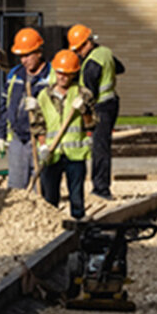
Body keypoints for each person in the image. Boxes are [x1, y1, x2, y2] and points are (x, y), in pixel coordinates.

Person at [30, 49, 96, 220]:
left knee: (76, 197)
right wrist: (43, 145)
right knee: (49, 198)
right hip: (51, 153)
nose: (62, 77)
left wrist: (84, 111)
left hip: (75, 155)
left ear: (73, 74)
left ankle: (78, 228)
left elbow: (92, 124)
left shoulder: (83, 94)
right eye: (59, 73)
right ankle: (51, 228)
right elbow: (38, 125)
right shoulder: (44, 96)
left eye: (66, 74)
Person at [67, 24, 125, 201]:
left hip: (101, 107)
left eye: (79, 49)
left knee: (100, 149)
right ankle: (100, 186)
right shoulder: (105, 52)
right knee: (102, 145)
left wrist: (83, 111)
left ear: (87, 43)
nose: (78, 53)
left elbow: (89, 93)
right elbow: (121, 68)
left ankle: (101, 189)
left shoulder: (91, 63)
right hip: (112, 103)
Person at [0, 27, 52, 189]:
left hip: (41, 139)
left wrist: (40, 106)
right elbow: (5, 106)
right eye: (21, 56)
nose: (23, 60)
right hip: (18, 139)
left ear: (38, 52)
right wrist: (0, 135)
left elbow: (59, 108)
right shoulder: (15, 74)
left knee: (40, 188)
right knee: (15, 189)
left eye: (27, 55)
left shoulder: (51, 76)